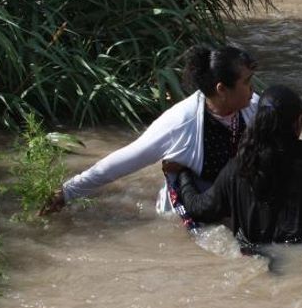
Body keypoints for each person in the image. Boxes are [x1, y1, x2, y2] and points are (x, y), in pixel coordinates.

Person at [40, 45, 260, 216]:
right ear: (221, 89)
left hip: (231, 203)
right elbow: (124, 161)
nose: (253, 89)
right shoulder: (181, 122)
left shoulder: (255, 107)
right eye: (247, 82)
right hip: (187, 215)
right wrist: (67, 192)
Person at [163, 85, 302, 246]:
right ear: (299, 122)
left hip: (257, 256)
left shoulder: (238, 167)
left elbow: (199, 209)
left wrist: (183, 174)